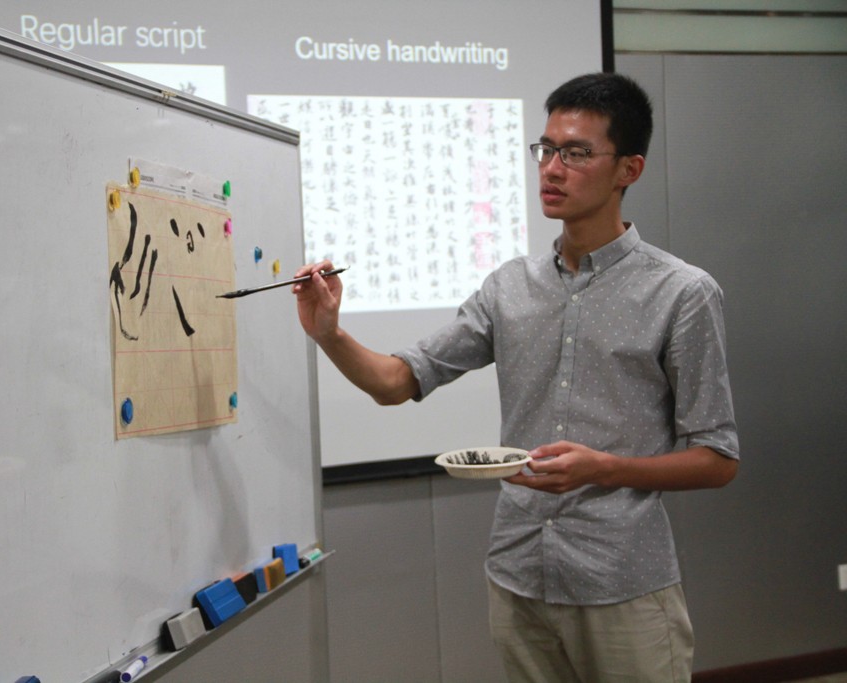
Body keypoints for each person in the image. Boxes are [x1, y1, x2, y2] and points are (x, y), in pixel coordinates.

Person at [293, 72, 739, 682]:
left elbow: (718, 459)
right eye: (547, 149)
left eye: (578, 153)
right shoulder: (508, 287)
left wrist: (606, 467)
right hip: (519, 573)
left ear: (628, 170)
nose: (552, 169)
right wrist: (329, 333)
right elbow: (396, 382)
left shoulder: (682, 292)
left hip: (623, 581)